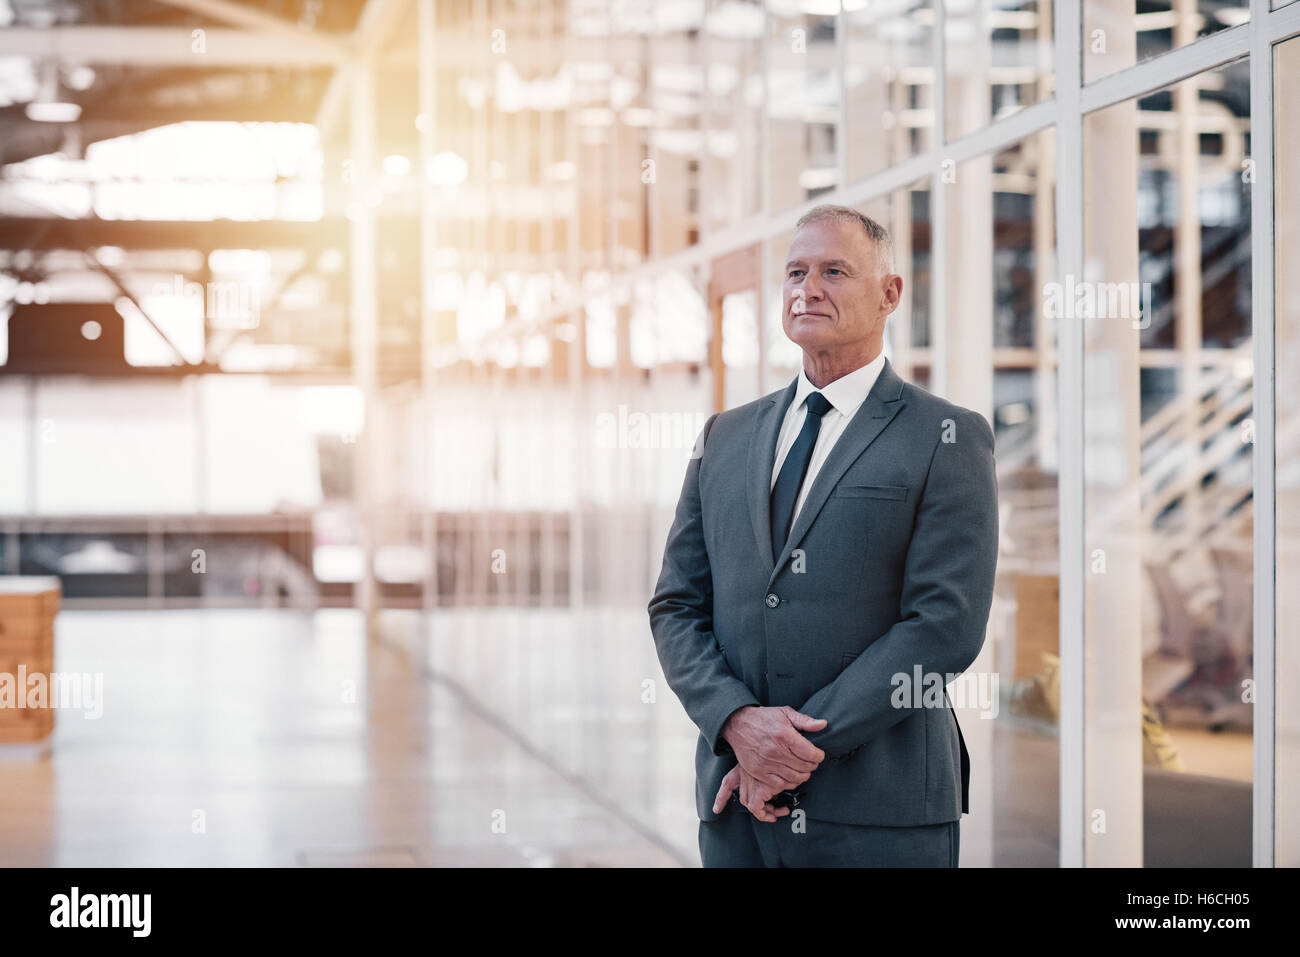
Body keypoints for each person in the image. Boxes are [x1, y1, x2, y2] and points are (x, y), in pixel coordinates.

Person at [647, 204, 999, 867]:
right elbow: (676, 606)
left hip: (878, 816)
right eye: (795, 273)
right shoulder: (726, 436)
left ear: (890, 294)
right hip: (736, 808)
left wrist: (785, 750)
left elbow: (944, 626)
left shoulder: (943, 437)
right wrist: (736, 723)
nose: (807, 289)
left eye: (834, 271)